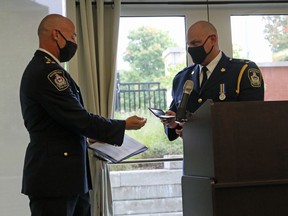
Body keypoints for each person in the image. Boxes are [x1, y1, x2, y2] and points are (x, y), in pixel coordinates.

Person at [19, 14, 147, 216]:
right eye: (74, 37)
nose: (75, 43)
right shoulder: (47, 72)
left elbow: (63, 123)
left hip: (69, 178)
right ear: (56, 35)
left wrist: (90, 137)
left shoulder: (49, 69)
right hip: (54, 180)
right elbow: (79, 118)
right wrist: (123, 125)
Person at [162, 20, 264, 141]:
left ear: (213, 40)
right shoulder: (182, 77)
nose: (191, 49)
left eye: (196, 43)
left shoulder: (243, 71)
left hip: (231, 154)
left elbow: (252, 120)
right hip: (194, 156)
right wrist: (172, 122)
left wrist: (198, 131)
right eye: (189, 45)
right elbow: (174, 125)